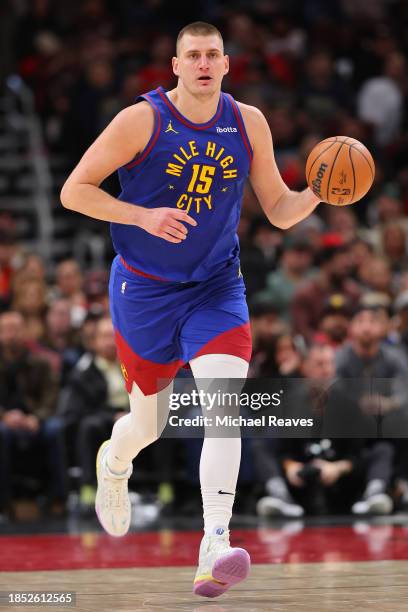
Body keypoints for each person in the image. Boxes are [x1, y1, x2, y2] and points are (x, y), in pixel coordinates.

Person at [60, 21, 320, 599]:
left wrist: (320, 191)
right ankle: (116, 461)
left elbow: (279, 210)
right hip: (145, 290)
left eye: (212, 55)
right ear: (175, 66)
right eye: (192, 55)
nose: (203, 63)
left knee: (223, 410)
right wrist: (142, 215)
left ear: (226, 64)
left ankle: (214, 544)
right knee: (148, 424)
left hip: (215, 288)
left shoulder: (247, 121)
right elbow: (74, 191)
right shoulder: (142, 120)